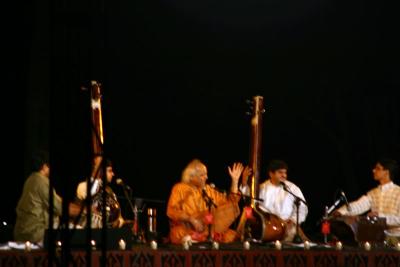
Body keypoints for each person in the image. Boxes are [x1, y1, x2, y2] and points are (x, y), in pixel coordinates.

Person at [166, 159, 244, 244]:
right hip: (187, 229)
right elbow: (171, 211)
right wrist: (191, 220)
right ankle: (195, 240)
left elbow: (231, 202)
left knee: (232, 235)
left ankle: (200, 240)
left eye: (206, 174)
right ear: (191, 177)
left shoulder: (208, 190)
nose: (206, 177)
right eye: (202, 175)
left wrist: (235, 181)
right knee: (177, 233)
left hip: (209, 230)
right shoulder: (180, 188)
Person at [14, 150, 80, 244]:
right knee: (78, 232)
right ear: (44, 166)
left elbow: (58, 200)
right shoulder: (41, 181)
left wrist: (81, 208)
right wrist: (84, 211)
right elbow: (60, 208)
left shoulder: (30, 180)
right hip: (35, 233)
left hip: (23, 232)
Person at [239, 159, 308, 242]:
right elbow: (249, 199)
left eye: (285, 173)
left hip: (287, 227)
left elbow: (302, 208)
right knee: (246, 213)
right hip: (267, 227)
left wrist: (293, 220)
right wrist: (244, 182)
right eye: (280, 172)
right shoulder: (263, 188)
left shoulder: (292, 188)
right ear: (271, 174)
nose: (284, 175)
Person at [333, 158, 400, 229]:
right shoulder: (373, 193)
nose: (373, 170)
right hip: (378, 236)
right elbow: (359, 205)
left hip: (396, 237)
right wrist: (341, 211)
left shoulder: (398, 192)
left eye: (378, 168)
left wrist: (380, 217)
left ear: (386, 172)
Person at [75, 155, 124, 228]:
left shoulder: (110, 192)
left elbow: (119, 216)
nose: (113, 174)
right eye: (110, 171)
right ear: (101, 171)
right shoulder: (83, 186)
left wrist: (118, 222)